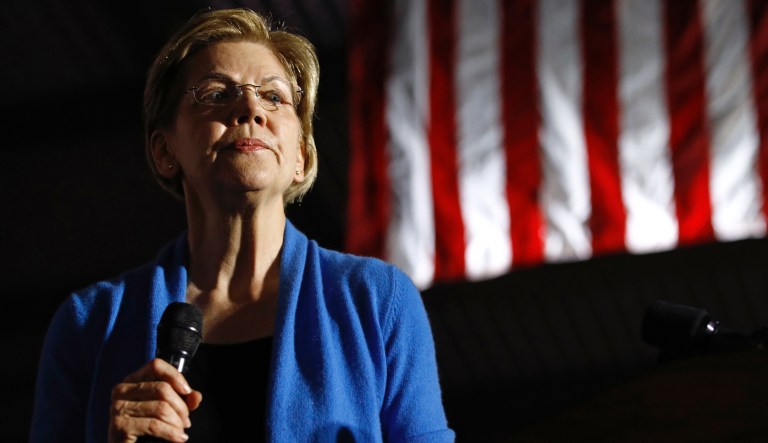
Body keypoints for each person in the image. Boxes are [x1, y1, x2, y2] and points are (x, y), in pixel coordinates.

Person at [29, 7, 455, 442]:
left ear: (300, 158)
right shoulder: (90, 322)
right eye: (216, 94)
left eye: (274, 97)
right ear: (164, 151)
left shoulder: (376, 299)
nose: (251, 108)